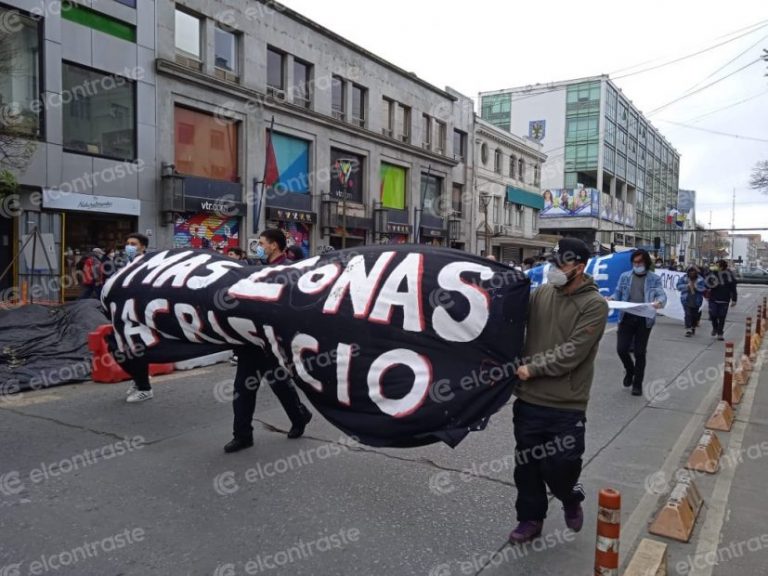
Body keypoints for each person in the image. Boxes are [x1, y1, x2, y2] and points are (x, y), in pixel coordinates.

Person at [509, 238, 609, 544]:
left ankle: (569, 495)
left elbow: (573, 352)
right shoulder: (541, 294)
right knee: (527, 467)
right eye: (551, 262)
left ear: (579, 267)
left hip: (567, 405)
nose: (552, 269)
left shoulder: (595, 305)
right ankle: (530, 519)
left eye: (560, 264)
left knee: (561, 466)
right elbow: (510, 319)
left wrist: (533, 368)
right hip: (529, 400)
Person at [224, 229, 313, 453]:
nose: (259, 246)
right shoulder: (255, 270)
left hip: (271, 342)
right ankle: (242, 435)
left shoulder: (289, 271)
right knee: (242, 389)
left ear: (274, 245)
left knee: (280, 384)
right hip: (249, 340)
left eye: (262, 243)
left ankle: (299, 416)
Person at [609, 249, 666, 396]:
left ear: (646, 263)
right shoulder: (625, 277)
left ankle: (637, 384)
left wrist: (659, 302)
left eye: (640, 262)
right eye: (635, 262)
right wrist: (612, 299)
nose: (637, 265)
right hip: (627, 317)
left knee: (640, 352)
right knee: (622, 349)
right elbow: (618, 293)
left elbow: (661, 294)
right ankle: (630, 370)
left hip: (644, 319)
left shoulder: (654, 278)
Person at [115, 233, 154, 403]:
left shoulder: (149, 264)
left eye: (133, 244)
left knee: (138, 348)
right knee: (123, 349)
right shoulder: (124, 263)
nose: (129, 246)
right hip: (124, 312)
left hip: (140, 313)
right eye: (128, 243)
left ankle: (144, 387)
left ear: (143, 247)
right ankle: (139, 380)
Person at [706, 259, 737, 341]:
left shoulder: (729, 275)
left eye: (717, 265)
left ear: (722, 266)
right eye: (715, 265)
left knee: (722, 317)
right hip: (713, 298)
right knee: (713, 315)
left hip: (724, 299)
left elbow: (733, 288)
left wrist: (734, 299)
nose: (716, 266)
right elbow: (707, 281)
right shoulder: (713, 273)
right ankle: (715, 328)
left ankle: (720, 333)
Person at [677, 266, 706, 337]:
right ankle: (688, 329)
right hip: (686, 299)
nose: (692, 273)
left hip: (696, 299)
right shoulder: (684, 278)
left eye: (693, 272)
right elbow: (678, 286)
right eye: (690, 272)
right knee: (688, 314)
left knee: (694, 315)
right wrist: (687, 286)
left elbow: (703, 288)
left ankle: (693, 327)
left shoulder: (700, 279)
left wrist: (696, 287)